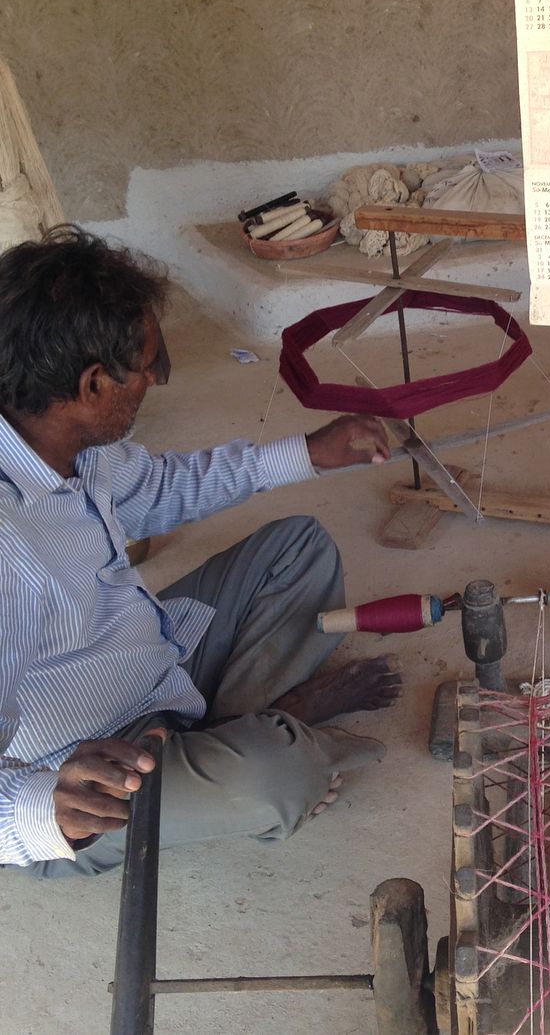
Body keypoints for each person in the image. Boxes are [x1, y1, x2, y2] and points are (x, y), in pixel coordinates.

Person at [0, 226, 404, 877]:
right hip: (96, 766)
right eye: (149, 366)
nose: (156, 380)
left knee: (299, 547)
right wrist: (42, 808)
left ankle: (246, 729)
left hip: (152, 658)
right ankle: (271, 737)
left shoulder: (70, 443)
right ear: (94, 384)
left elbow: (164, 488)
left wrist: (308, 453)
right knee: (277, 777)